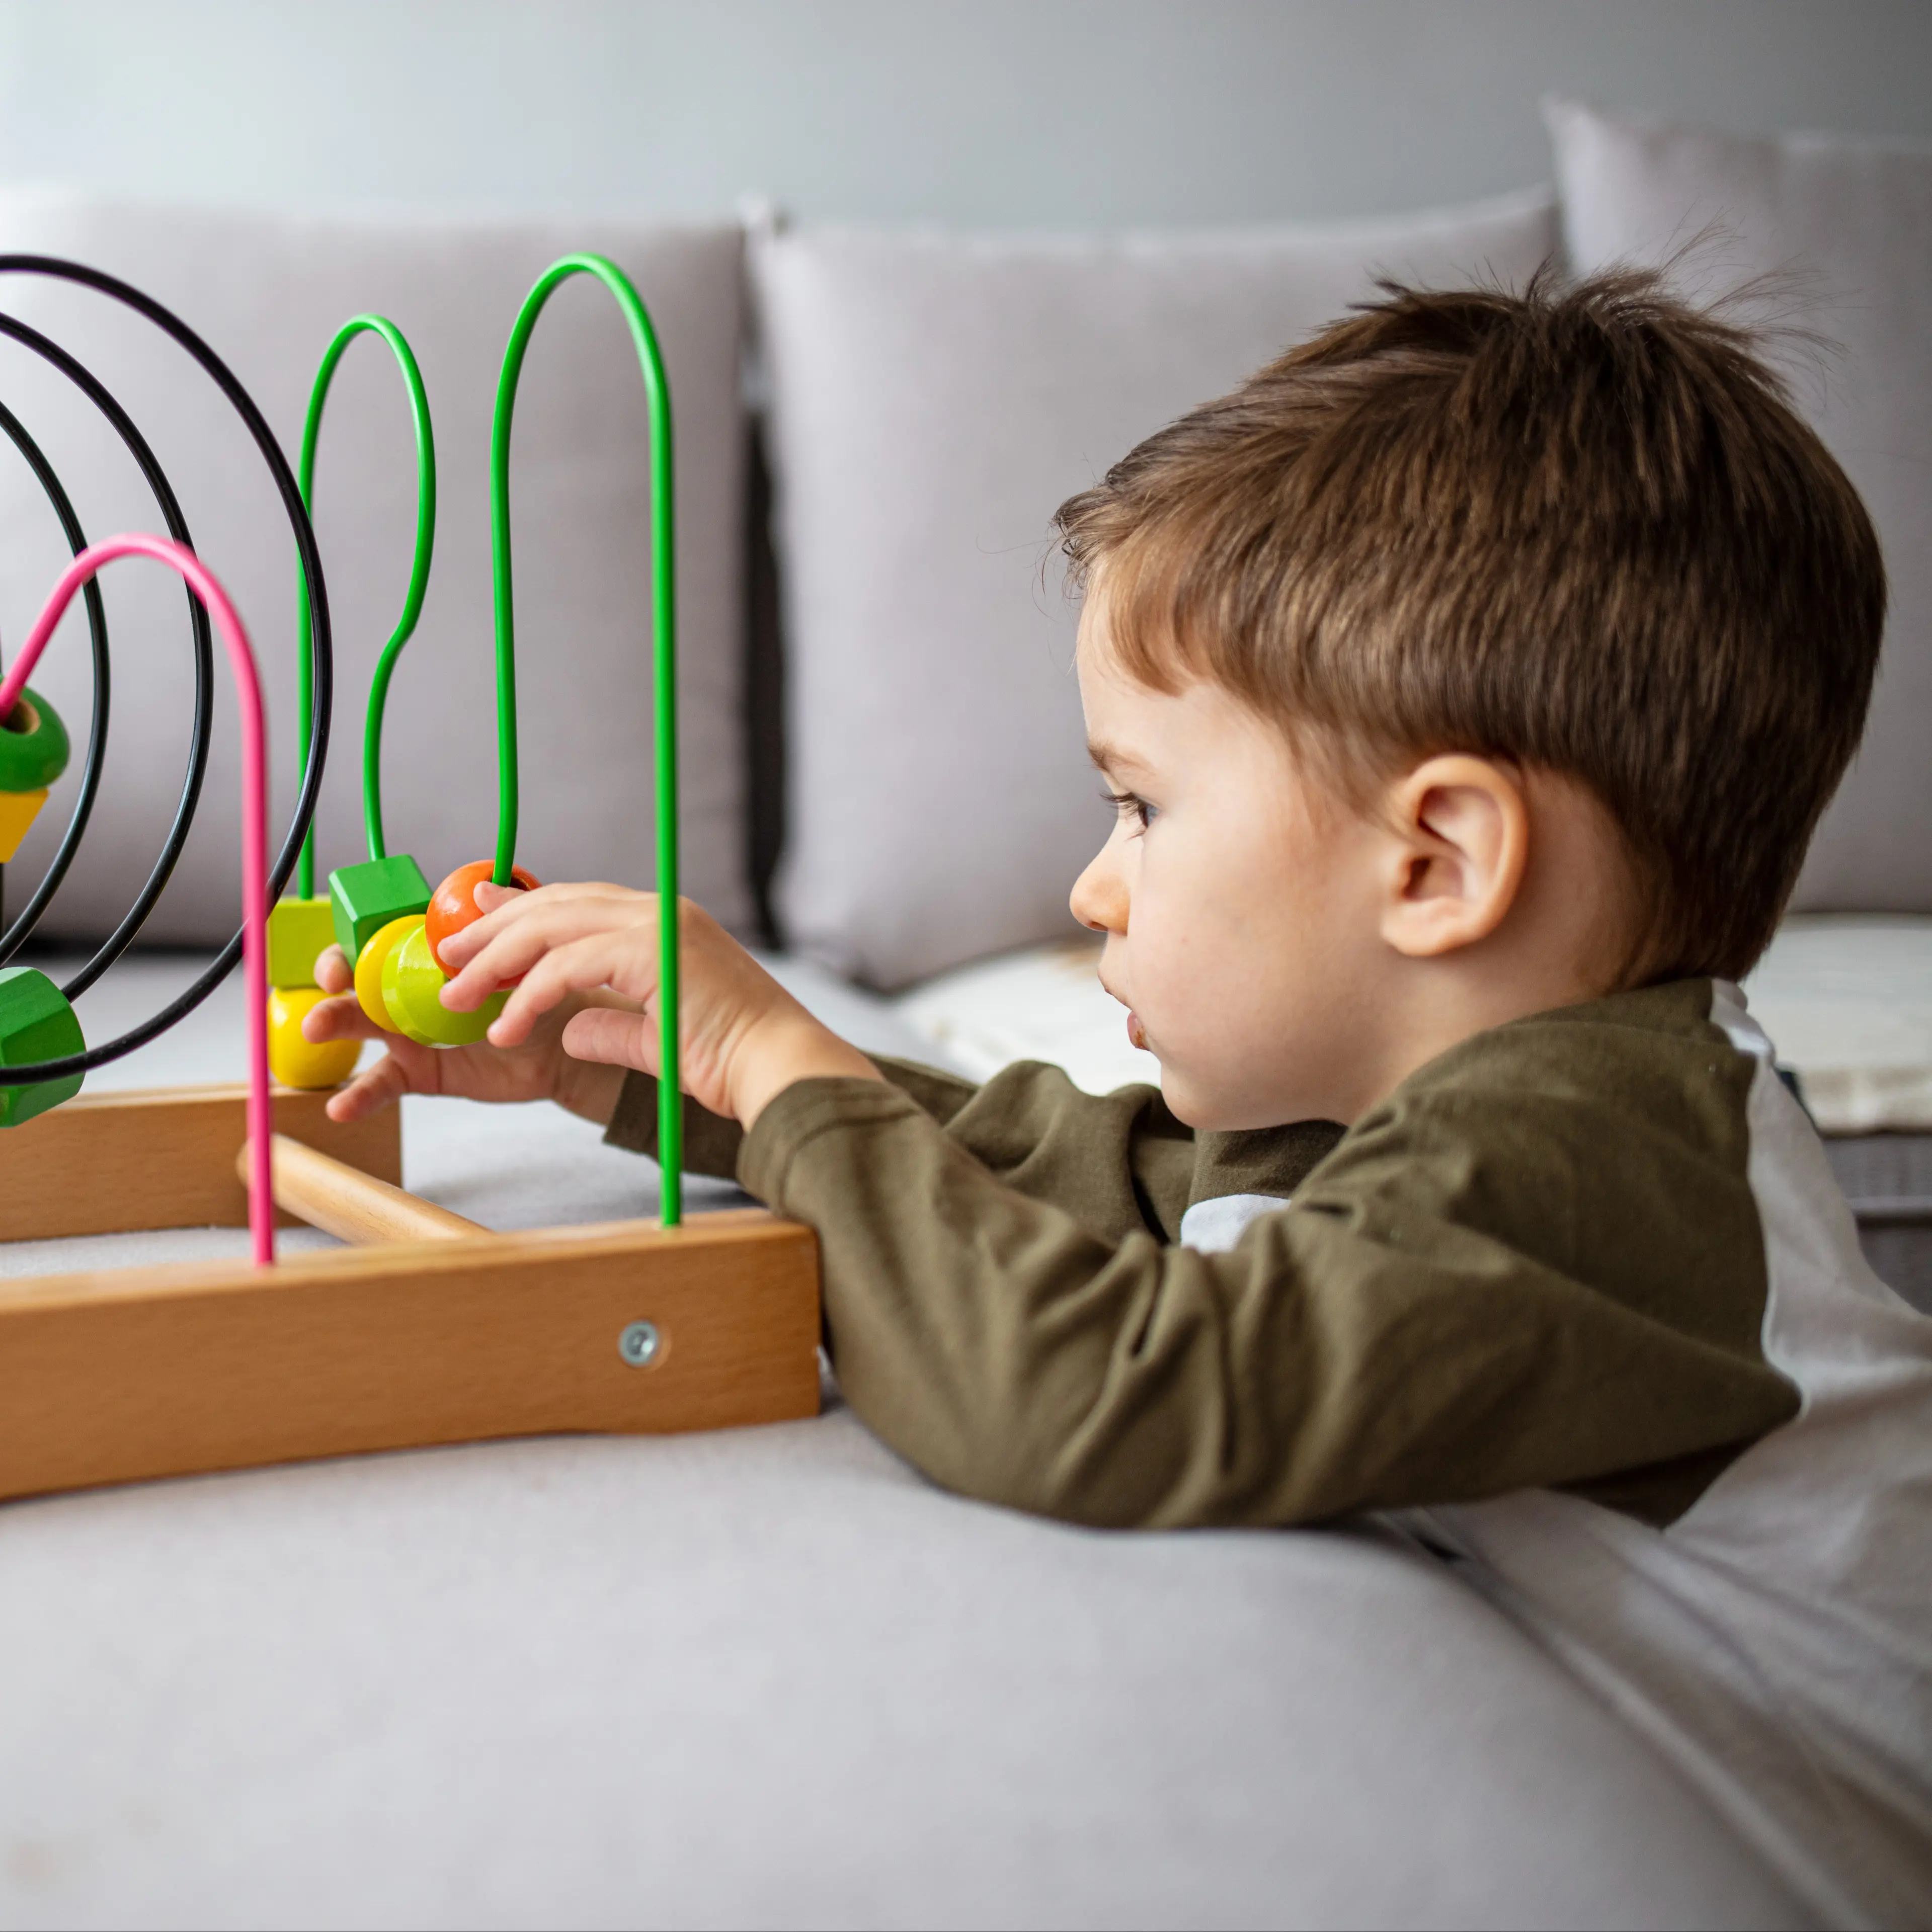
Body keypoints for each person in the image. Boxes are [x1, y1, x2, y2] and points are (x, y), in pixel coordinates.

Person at [305, 267, 1929, 1926]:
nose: (1095, 886)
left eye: (1142, 807)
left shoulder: (1600, 1152)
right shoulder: (1477, 1091)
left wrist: (769, 1066)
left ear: (1437, 861)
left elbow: (1119, 1402)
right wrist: (665, 1063)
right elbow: (1098, 1171)